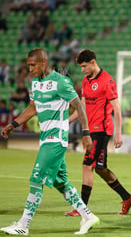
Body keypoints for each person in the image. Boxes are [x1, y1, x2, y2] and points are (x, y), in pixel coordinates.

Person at [0, 48, 99, 235]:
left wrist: (86, 133)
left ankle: (23, 225)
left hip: (57, 138)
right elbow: (32, 108)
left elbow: (79, 105)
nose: (30, 69)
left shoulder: (61, 82)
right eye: (28, 65)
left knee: (36, 178)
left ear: (44, 62)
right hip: (45, 138)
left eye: (33, 65)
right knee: (61, 183)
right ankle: (88, 216)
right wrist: (13, 124)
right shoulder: (35, 84)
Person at [64, 49, 131, 217]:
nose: (82, 70)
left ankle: (81, 209)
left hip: (102, 130)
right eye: (80, 67)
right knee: (100, 168)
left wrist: (118, 133)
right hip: (90, 130)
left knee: (87, 165)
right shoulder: (85, 81)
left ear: (93, 62)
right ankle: (127, 197)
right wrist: (66, 122)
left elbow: (117, 108)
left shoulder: (107, 80)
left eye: (84, 66)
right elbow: (82, 108)